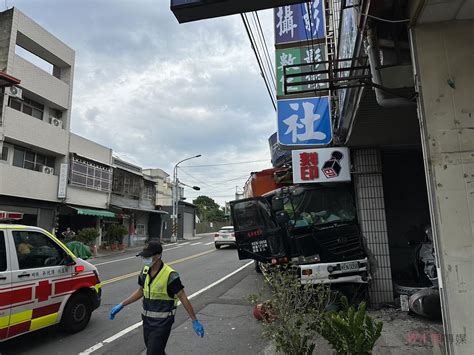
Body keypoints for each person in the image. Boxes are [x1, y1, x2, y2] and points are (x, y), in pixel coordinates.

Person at [109, 240, 204, 355]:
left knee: (152, 352)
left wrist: (194, 320)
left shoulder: (170, 275)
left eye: (148, 256)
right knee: (157, 352)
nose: (145, 259)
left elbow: (182, 297)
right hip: (147, 322)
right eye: (144, 256)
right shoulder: (144, 272)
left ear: (158, 256)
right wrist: (122, 304)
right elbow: (141, 291)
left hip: (163, 323)